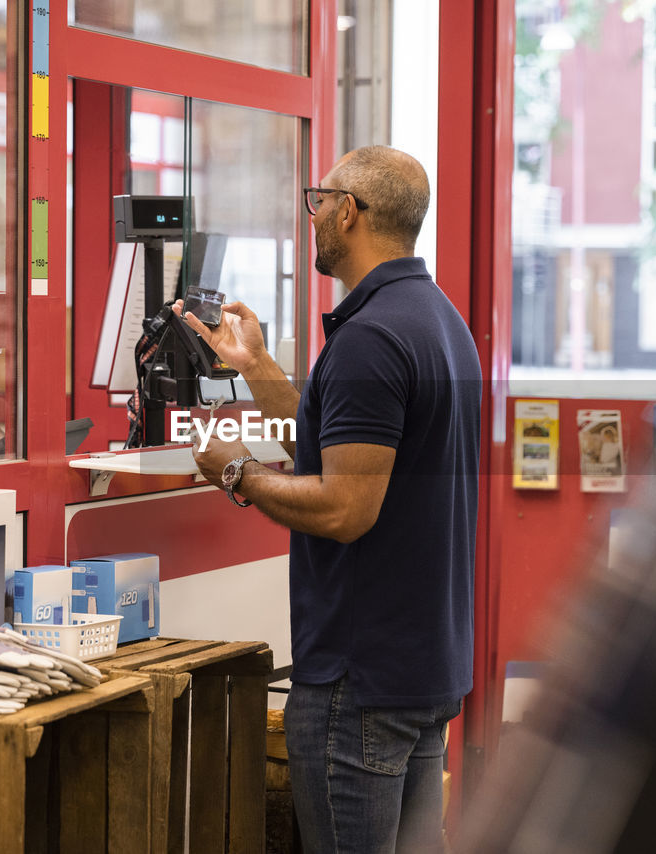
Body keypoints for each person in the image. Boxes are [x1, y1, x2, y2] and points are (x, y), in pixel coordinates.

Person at [179, 145, 483, 852]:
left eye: (319, 199)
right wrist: (257, 368)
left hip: (360, 682)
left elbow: (348, 508)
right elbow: (332, 445)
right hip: (420, 670)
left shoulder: (371, 339)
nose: (311, 212)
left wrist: (234, 473)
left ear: (348, 213)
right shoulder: (436, 321)